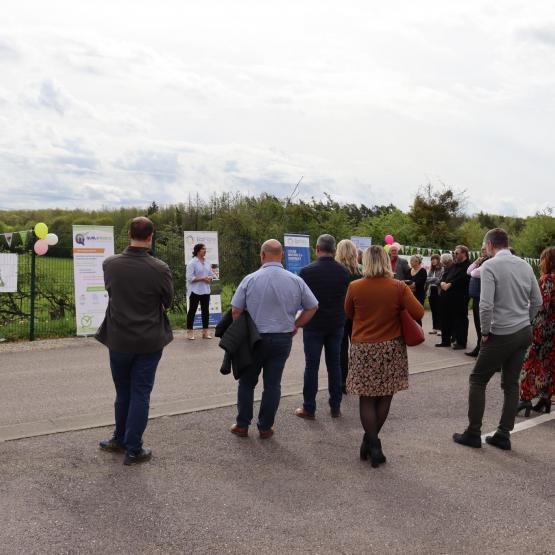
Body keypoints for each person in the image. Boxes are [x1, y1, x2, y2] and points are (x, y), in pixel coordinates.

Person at [453, 228, 542, 451]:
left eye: (485, 248)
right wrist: (526, 320)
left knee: (478, 379)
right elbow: (537, 300)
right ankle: (503, 433)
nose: (485, 251)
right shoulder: (524, 265)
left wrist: (484, 332)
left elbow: (485, 304)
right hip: (523, 330)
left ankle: (473, 432)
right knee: (511, 383)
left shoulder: (490, 266)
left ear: (490, 245)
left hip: (501, 331)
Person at [96, 217, 174, 465]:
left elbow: (112, 292)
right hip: (149, 341)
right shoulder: (160, 268)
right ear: (151, 236)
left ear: (128, 233)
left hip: (118, 339)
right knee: (140, 392)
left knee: (123, 391)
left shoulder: (110, 264)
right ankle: (133, 449)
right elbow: (168, 301)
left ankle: (119, 438)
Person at [230, 239, 318, 438]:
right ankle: (265, 427)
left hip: (254, 339)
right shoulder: (295, 280)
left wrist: (243, 330)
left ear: (262, 255)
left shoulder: (250, 279)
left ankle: (242, 424)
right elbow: (313, 306)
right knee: (273, 384)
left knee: (246, 382)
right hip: (282, 338)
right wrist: (296, 324)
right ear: (283, 256)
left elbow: (236, 310)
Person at [345, 245, 424, 467]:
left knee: (366, 397)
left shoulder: (355, 286)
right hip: (391, 348)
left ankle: (371, 443)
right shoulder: (398, 287)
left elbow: (348, 313)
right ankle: (372, 443)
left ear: (366, 262)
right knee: (386, 395)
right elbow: (418, 313)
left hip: (363, 348)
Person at [295, 235, 350, 419]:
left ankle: (309, 408)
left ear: (317, 249)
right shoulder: (343, 272)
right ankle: (335, 407)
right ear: (334, 250)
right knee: (334, 365)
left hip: (313, 325)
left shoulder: (306, 271)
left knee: (312, 366)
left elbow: (300, 301)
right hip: (336, 324)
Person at [517, 246, 555, 416]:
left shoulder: (547, 279)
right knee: (548, 363)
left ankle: (524, 398)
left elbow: (541, 306)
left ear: (549, 261)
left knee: (529, 362)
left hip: (542, 328)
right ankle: (545, 398)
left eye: (542, 259)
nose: (540, 263)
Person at [335, 239, 362, 393]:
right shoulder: (360, 271)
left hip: (340, 314)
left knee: (341, 349)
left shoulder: (335, 271)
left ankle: (343, 382)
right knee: (358, 348)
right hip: (358, 315)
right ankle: (358, 380)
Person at [436, 245, 471, 350]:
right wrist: (442, 282)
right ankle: (445, 340)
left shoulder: (468, 266)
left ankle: (461, 342)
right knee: (445, 318)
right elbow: (445, 274)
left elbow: (464, 278)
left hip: (459, 297)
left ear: (464, 254)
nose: (454, 255)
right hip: (446, 296)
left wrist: (450, 284)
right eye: (454, 253)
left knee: (460, 320)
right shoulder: (454, 265)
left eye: (457, 253)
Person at [186, 243, 214, 340]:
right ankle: (190, 331)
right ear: (198, 250)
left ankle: (205, 332)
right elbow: (189, 278)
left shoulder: (207, 262)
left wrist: (210, 278)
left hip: (206, 290)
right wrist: (203, 279)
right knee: (192, 311)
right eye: (203, 249)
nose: (205, 250)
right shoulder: (192, 263)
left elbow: (210, 274)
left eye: (205, 249)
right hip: (195, 291)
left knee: (205, 311)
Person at [465, 247, 489, 358]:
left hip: (482, 297)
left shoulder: (489, 262)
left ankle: (482, 350)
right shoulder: (481, 261)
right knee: (477, 324)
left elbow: (472, 273)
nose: (482, 251)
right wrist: (476, 262)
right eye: (482, 250)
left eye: (485, 249)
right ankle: (478, 348)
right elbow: (469, 270)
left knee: (482, 325)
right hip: (476, 297)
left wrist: (477, 265)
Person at [407, 254, 427, 326]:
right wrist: (410, 286)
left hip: (419, 296)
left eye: (412, 261)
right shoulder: (409, 270)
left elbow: (420, 283)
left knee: (417, 315)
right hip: (409, 295)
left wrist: (410, 285)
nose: (410, 262)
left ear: (417, 262)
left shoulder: (423, 271)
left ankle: (418, 333)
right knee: (409, 315)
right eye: (410, 261)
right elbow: (405, 282)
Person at [426, 254, 443, 334]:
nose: (433, 261)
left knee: (439, 310)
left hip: (438, 290)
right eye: (432, 259)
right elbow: (426, 279)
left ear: (438, 260)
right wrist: (434, 279)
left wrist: (434, 279)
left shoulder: (442, 269)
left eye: (435, 259)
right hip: (431, 290)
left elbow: (439, 280)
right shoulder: (431, 270)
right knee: (433, 310)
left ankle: (440, 328)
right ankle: (435, 328)